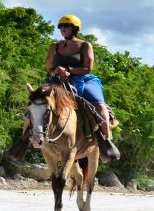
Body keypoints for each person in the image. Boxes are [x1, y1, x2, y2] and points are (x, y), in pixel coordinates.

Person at [45, 14, 120, 160]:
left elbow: (88, 68)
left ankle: (106, 142)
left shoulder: (85, 45)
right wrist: (56, 71)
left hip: (82, 79)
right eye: (61, 27)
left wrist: (68, 70)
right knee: (37, 101)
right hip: (57, 79)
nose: (63, 29)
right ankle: (26, 139)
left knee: (99, 106)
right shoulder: (54, 45)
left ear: (75, 29)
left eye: (66, 26)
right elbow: (49, 65)